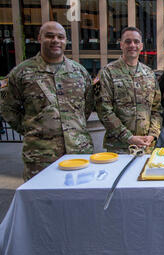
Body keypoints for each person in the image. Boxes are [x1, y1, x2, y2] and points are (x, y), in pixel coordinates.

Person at [0, 21, 94, 180]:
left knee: (79, 201)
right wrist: (32, 129)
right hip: (40, 156)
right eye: (49, 36)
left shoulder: (79, 72)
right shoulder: (22, 73)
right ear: (39, 38)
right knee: (40, 202)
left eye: (60, 37)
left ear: (65, 41)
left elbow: (87, 105)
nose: (56, 40)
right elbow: (8, 108)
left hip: (78, 152)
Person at [96, 27, 162, 153]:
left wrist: (152, 135)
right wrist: (129, 137)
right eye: (128, 41)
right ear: (121, 45)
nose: (132, 45)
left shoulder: (149, 74)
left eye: (136, 42)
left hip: (146, 146)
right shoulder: (108, 72)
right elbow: (104, 110)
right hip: (119, 147)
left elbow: (156, 109)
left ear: (141, 46)